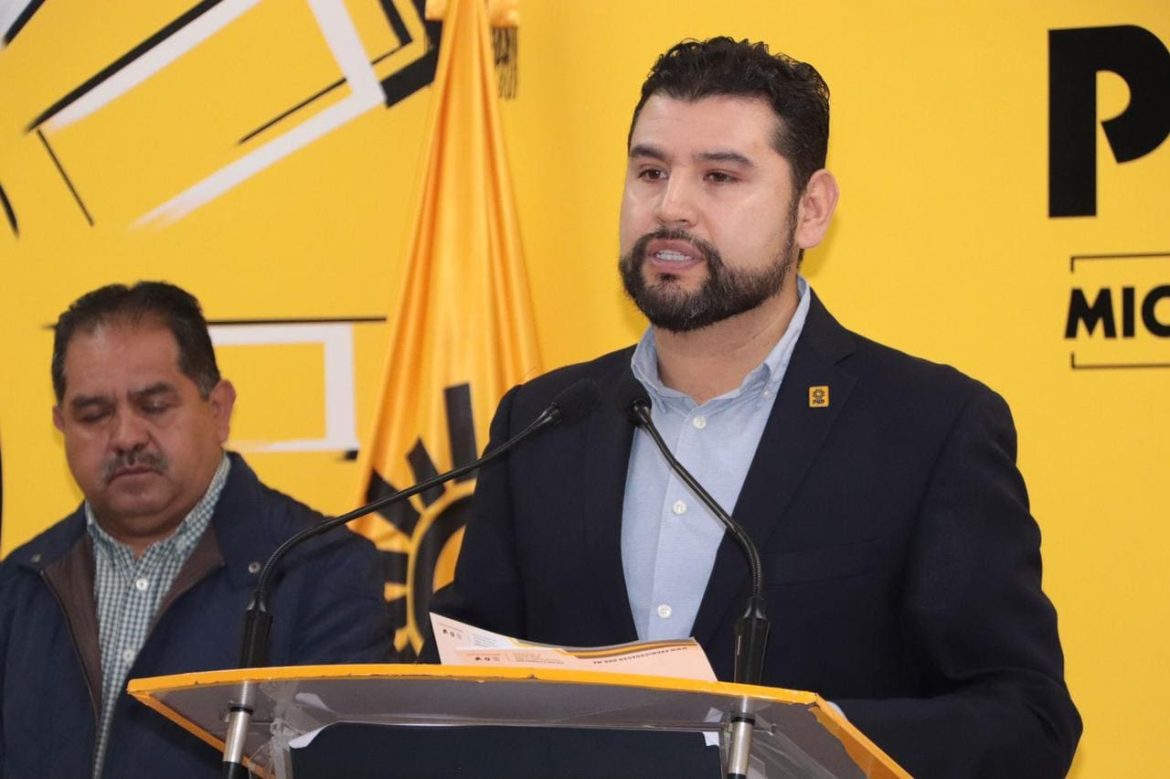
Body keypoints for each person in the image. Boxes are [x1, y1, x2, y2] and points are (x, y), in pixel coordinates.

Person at [429, 37, 1082, 777]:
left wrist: (800, 740)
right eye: (650, 172)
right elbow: (453, 685)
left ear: (811, 210)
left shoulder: (928, 427)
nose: (670, 207)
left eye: (719, 176)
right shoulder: (543, 420)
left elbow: (1026, 719)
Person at [0, 282, 390, 777]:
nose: (126, 436)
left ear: (219, 408)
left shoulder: (320, 570)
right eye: (94, 414)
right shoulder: (19, 587)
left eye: (154, 406)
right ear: (61, 426)